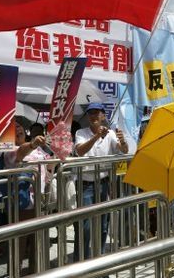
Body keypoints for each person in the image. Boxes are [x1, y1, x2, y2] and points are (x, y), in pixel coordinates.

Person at [73, 102, 128, 260]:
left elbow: (123, 151)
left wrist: (123, 141)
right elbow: (80, 151)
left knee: (103, 225)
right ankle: (80, 264)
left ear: (103, 115)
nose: (93, 116)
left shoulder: (111, 134)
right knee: (85, 227)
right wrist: (97, 135)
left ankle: (100, 260)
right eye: (91, 113)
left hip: (103, 184)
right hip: (85, 185)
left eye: (97, 113)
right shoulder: (81, 132)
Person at [0, 120, 48, 274]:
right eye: (12, 129)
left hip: (40, 202)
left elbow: (49, 166)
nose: (17, 130)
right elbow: (19, 154)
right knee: (19, 246)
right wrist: (32, 144)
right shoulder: (8, 150)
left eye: (19, 127)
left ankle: (35, 273)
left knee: (37, 246)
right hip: (21, 205)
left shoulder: (40, 150)